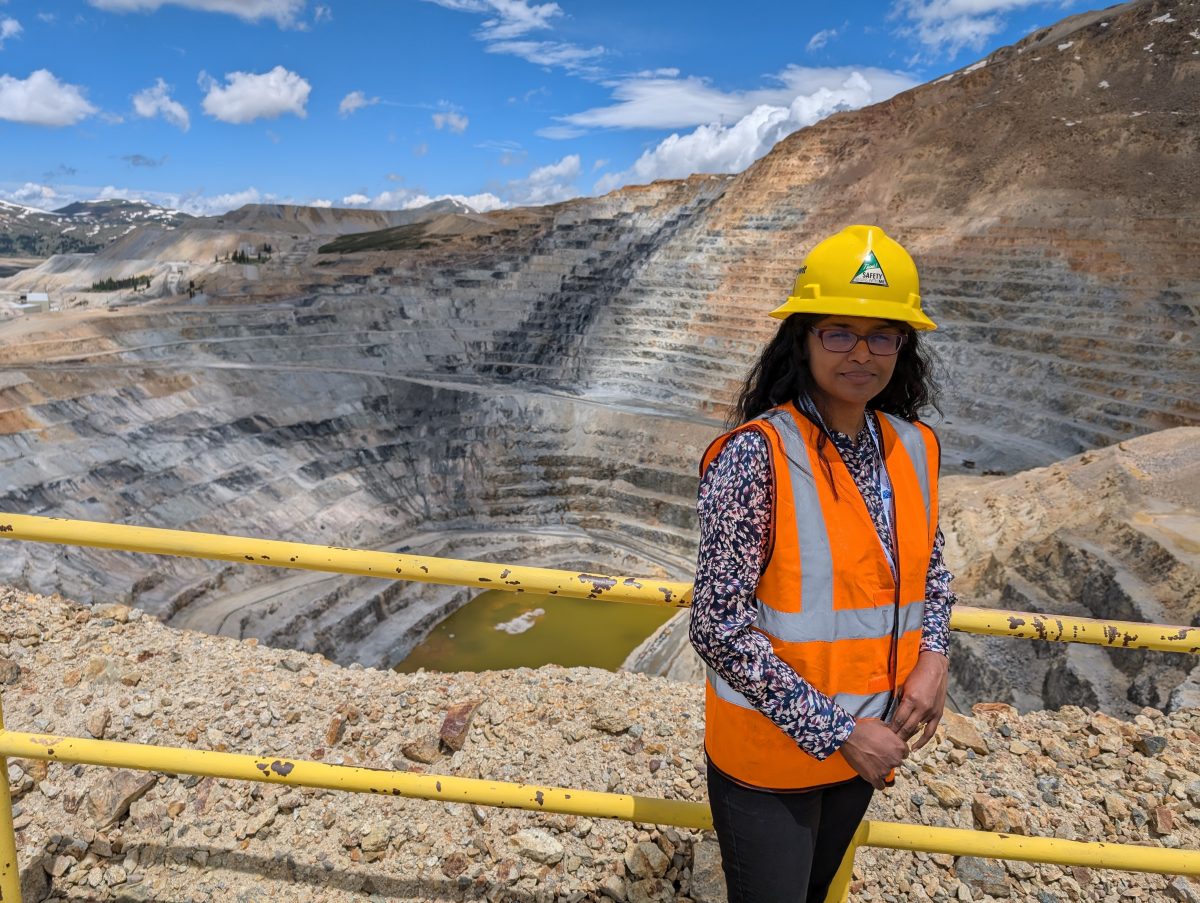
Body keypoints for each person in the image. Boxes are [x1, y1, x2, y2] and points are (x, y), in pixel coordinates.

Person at [689, 224, 956, 903]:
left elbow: (931, 572)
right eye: (838, 331)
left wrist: (934, 655)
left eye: (882, 334)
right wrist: (838, 732)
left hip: (868, 743)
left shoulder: (913, 446)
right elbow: (718, 626)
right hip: (774, 761)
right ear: (803, 338)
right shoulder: (757, 456)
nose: (861, 352)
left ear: (904, 345)